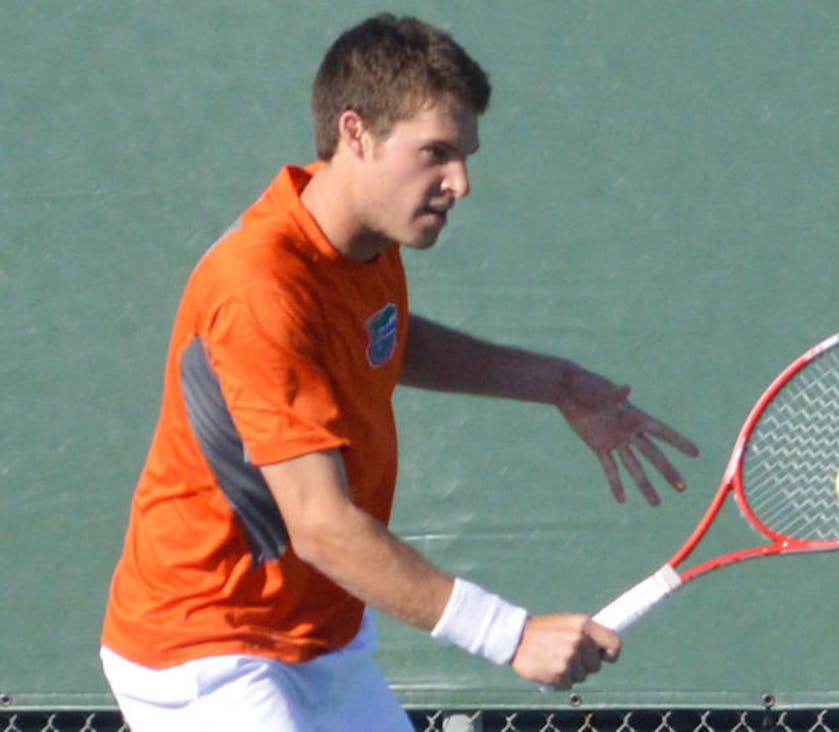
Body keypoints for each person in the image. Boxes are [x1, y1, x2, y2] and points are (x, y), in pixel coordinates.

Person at [100, 13, 699, 731]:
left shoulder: (361, 246)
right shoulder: (258, 287)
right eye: (436, 154)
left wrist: (555, 383)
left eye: (466, 155)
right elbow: (320, 525)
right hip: (203, 648)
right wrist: (510, 635)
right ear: (356, 133)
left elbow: (385, 338)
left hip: (322, 639)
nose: (461, 183)